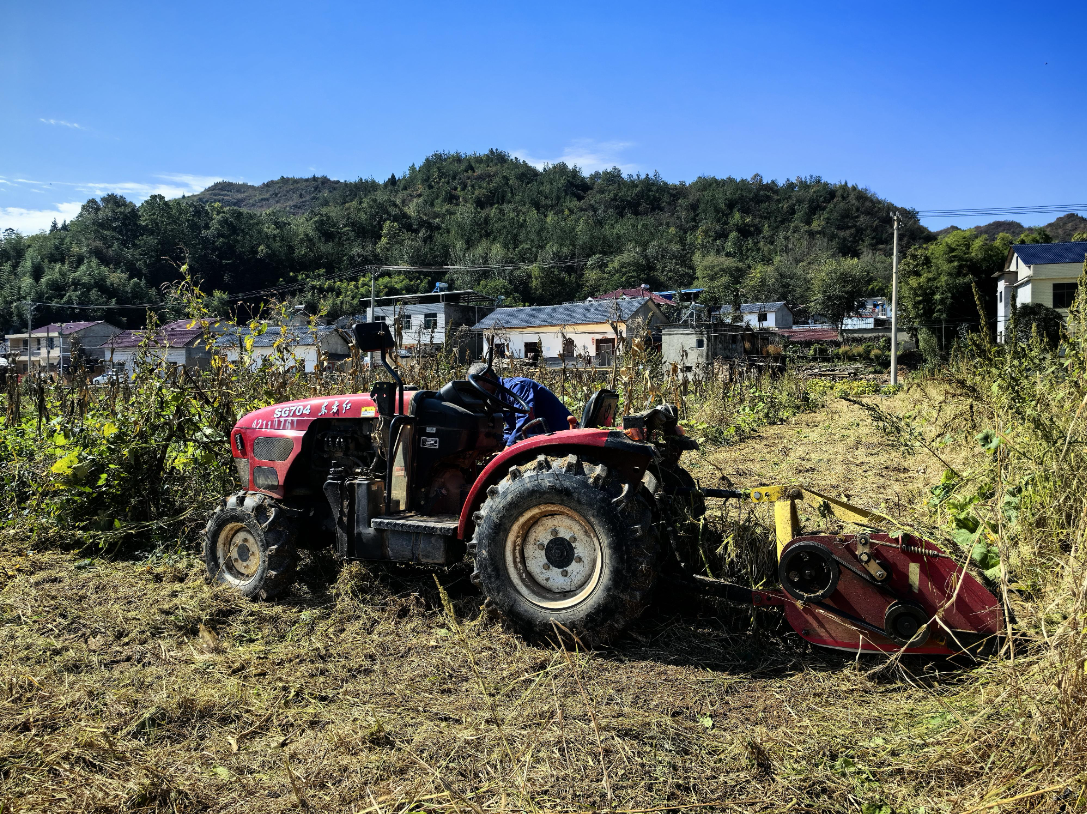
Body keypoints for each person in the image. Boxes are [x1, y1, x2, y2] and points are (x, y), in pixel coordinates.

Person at [467, 362, 574, 446]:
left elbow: (525, 419)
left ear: (486, 377)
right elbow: (512, 427)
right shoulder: (500, 396)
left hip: (558, 435)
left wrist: (508, 448)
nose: (476, 391)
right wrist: (499, 444)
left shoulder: (517, 387)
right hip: (541, 436)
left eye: (475, 386)